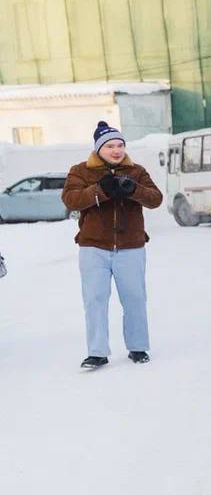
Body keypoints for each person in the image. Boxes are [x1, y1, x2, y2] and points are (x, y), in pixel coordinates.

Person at [61, 122, 163, 369]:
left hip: (131, 247)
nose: (116, 150)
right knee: (94, 299)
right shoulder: (81, 171)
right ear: (98, 149)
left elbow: (155, 199)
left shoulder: (136, 171)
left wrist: (134, 189)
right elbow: (71, 199)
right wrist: (100, 190)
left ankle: (138, 347)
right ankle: (97, 352)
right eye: (109, 146)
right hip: (93, 248)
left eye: (120, 145)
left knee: (135, 298)